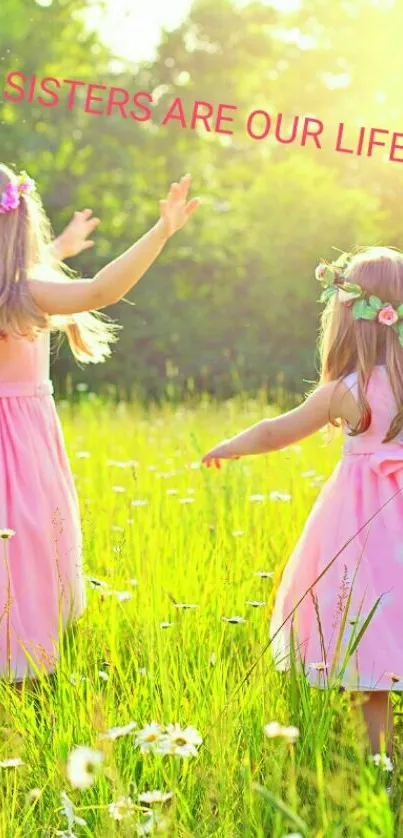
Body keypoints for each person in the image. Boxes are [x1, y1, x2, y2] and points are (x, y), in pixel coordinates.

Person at [202, 246, 403, 764]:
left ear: (344, 319)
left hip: (361, 529)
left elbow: (277, 431)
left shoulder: (346, 390)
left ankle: (375, 769)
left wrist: (231, 445)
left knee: (371, 650)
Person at [0, 164, 199, 683]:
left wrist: (59, 249)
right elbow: (100, 292)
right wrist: (161, 231)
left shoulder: (24, 288)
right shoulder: (29, 290)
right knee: (23, 559)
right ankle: (20, 672)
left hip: (19, 444)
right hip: (19, 450)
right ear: (23, 225)